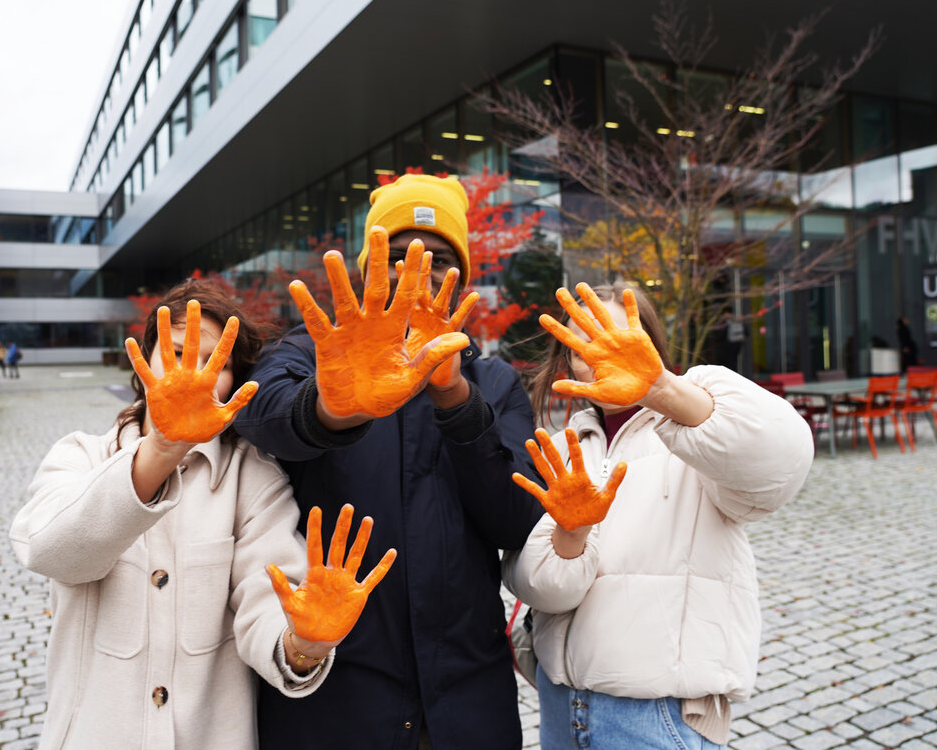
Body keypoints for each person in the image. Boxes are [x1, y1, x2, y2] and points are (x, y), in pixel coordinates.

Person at [10, 279, 395, 750]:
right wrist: (162, 449)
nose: (194, 372)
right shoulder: (80, 456)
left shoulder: (251, 477)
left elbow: (266, 595)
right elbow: (55, 553)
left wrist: (305, 644)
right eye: (175, 351)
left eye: (219, 363)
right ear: (144, 361)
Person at [234, 174, 545, 750]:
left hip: (466, 701)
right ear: (369, 269)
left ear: (461, 279)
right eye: (398, 256)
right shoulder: (311, 352)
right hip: (336, 701)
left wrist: (455, 399)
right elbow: (259, 416)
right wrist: (332, 408)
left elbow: (517, 518)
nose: (416, 271)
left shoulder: (493, 382)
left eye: (439, 259)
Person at [503, 282, 814, 749]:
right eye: (580, 342)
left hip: (656, 716)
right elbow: (543, 591)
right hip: (562, 707)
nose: (596, 351)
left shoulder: (699, 425)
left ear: (647, 340)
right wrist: (573, 530)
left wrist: (663, 390)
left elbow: (781, 460)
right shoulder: (569, 446)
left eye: (612, 333)